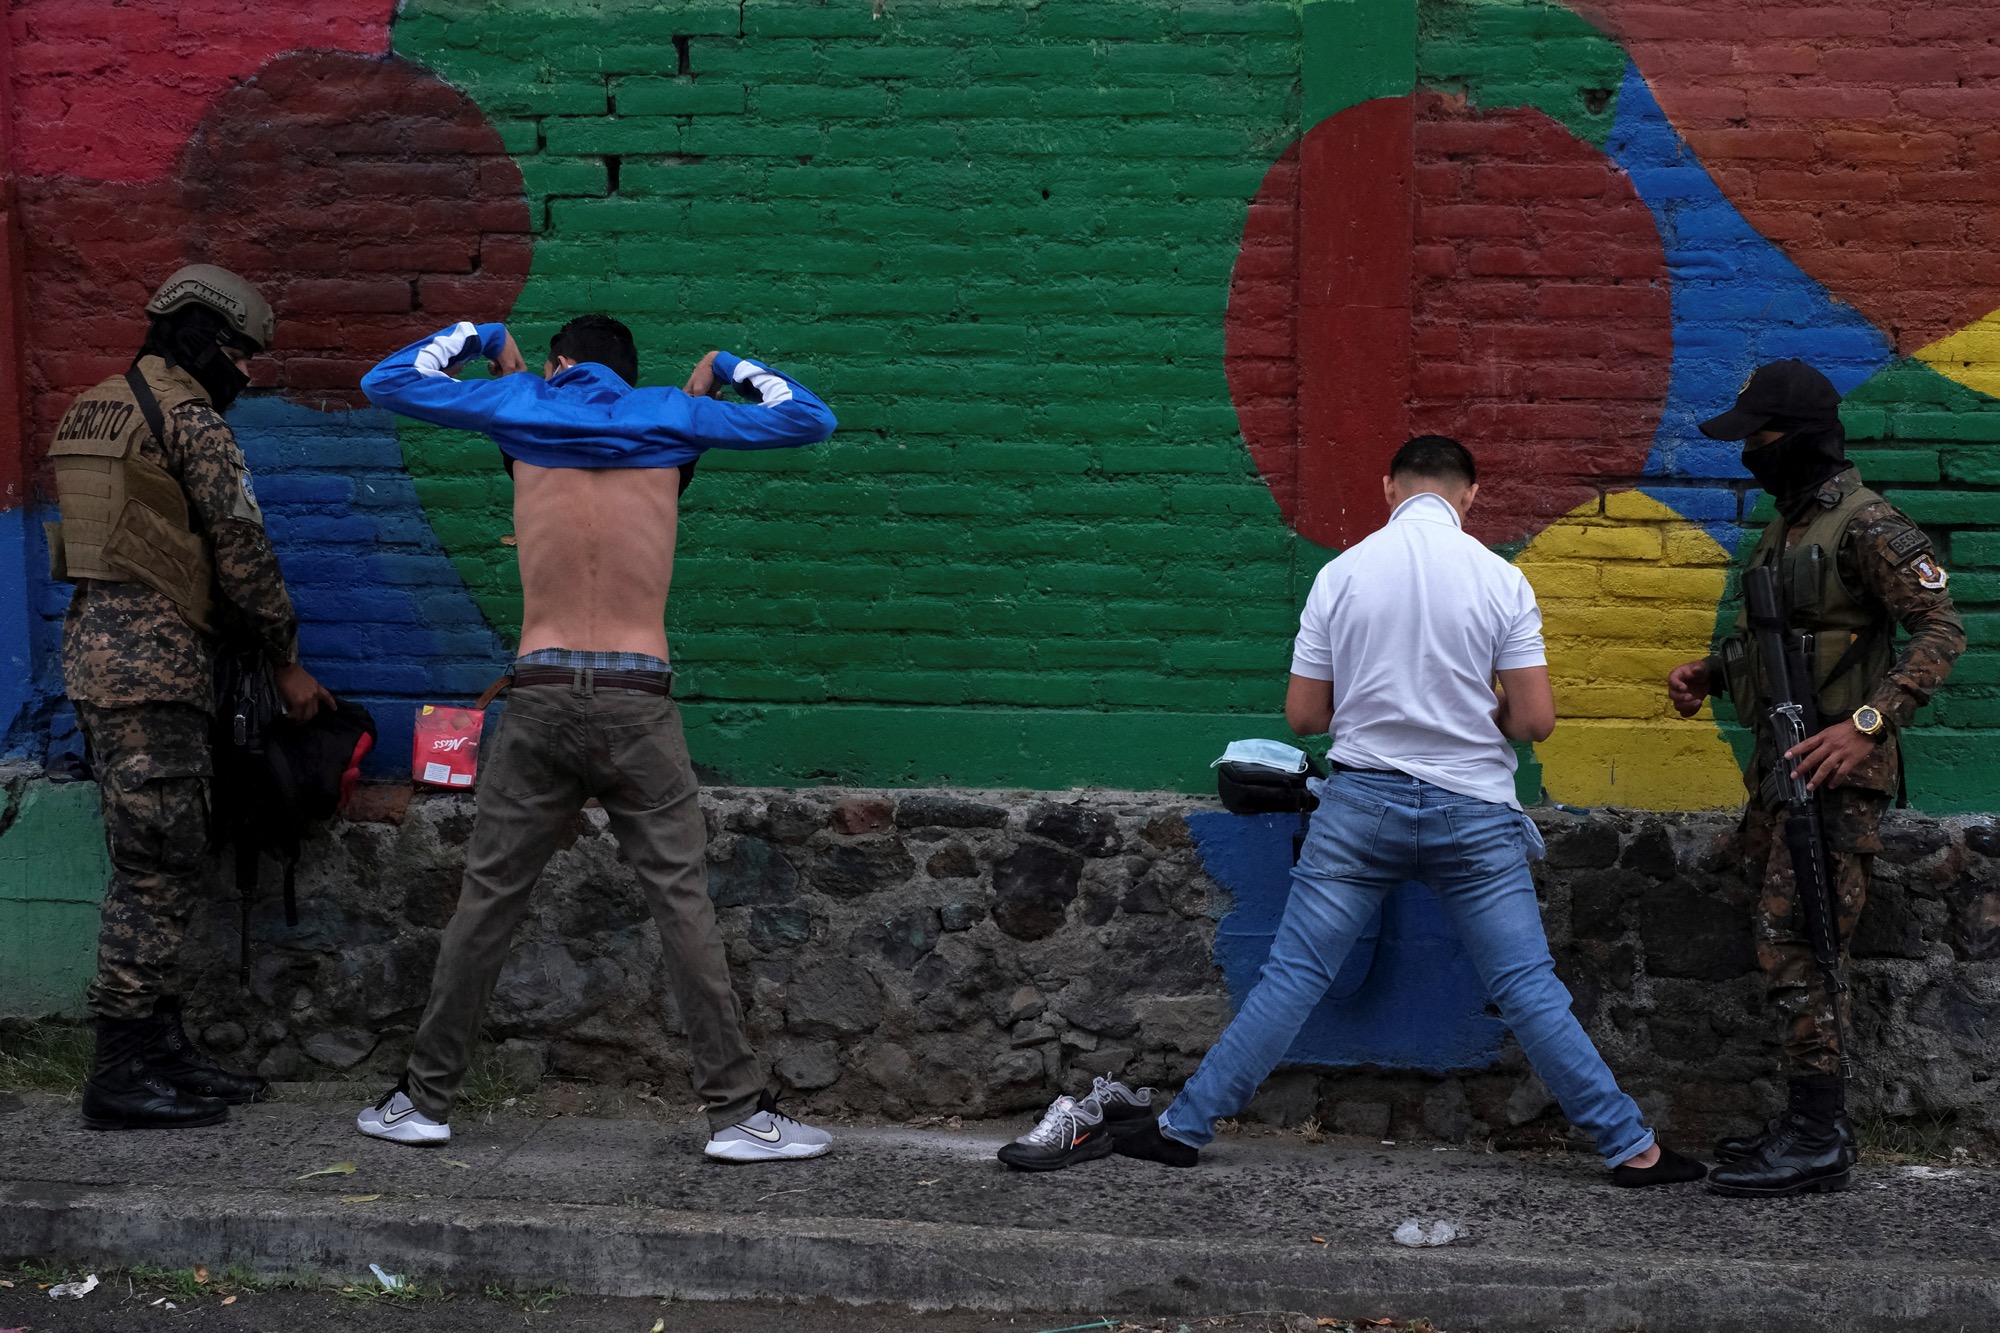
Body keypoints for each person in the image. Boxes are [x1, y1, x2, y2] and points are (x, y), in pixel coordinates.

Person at [1116, 435, 1703, 1187]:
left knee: (1292, 975)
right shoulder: (1500, 581)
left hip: (1360, 810)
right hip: (1474, 815)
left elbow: (1302, 715)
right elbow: (1534, 721)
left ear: (1388, 486)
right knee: (1528, 987)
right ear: (1470, 495)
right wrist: (1470, 713)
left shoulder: (1342, 574)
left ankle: (1182, 1128)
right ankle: (1633, 1149)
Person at [353, 315, 838, 1161]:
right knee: (682, 901)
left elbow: (389, 379)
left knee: (487, 902)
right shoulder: (671, 419)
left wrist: (480, 335)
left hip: (540, 693)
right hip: (636, 696)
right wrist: (722, 366)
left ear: (558, 363)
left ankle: (421, 1101)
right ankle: (738, 1115)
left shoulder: (520, 407)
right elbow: (807, 415)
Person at [1666, 360, 1963, 1198]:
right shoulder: (1790, 524)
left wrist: (1869, 723)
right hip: (1784, 767)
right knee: (1779, 931)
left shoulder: (1868, 526)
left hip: (1836, 776)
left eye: (1760, 436)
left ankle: (1819, 1133)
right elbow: (1792, 641)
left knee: (1799, 939)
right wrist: (1715, 673)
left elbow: (1942, 628)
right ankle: (1802, 1121)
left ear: (1795, 438)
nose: (1751, 452)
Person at [49, 264, 335, 1130]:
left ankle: (162, 1048)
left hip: (101, 664)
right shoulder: (188, 419)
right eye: (241, 353)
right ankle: (123, 1068)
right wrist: (287, 658)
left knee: (160, 857)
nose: (247, 372)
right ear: (202, 339)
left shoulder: (93, 406)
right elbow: (241, 549)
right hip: (158, 672)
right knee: (158, 867)